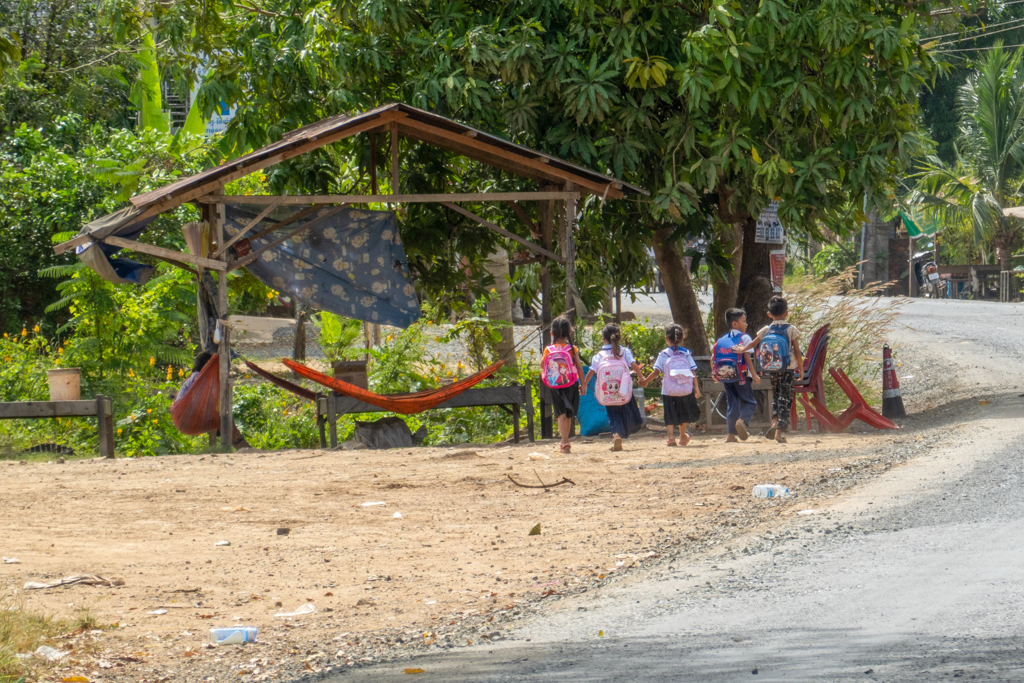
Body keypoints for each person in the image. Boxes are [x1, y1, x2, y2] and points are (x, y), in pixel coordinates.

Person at [736, 296, 804, 443]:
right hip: (787, 368)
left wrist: (742, 349)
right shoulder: (791, 329)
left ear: (769, 314)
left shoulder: (767, 329)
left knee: (775, 396)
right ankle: (779, 432)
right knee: (785, 398)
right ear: (786, 313)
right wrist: (801, 368)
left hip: (772, 368)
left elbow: (754, 343)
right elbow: (797, 351)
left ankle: (773, 423)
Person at [584, 323, 645, 452]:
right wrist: (641, 377)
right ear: (619, 337)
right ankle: (627, 429)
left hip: (608, 392)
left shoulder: (599, 356)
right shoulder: (624, 351)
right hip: (623, 390)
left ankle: (616, 434)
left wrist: (584, 384)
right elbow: (633, 365)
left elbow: (591, 371)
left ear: (603, 339)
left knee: (613, 415)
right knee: (628, 410)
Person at [639, 324, 701, 447]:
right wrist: (696, 388)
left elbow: (656, 372)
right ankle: (682, 436)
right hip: (685, 390)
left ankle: (671, 438)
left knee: (669, 413)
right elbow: (692, 371)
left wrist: (646, 381)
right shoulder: (686, 354)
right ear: (682, 338)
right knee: (683, 414)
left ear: (666, 339)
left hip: (668, 390)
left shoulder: (664, 354)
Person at [713, 308, 761, 442]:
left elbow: (713, 358)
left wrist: (714, 374)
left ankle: (730, 435)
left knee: (732, 404)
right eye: (744, 321)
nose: (746, 324)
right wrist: (754, 375)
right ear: (735, 324)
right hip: (741, 376)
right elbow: (746, 357)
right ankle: (741, 421)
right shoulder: (744, 338)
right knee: (750, 402)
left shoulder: (721, 340)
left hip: (726, 377)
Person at [541, 316, 586, 453]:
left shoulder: (548, 350)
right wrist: (583, 384)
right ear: (570, 333)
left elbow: (543, 365)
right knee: (568, 414)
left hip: (555, 386)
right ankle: (565, 440)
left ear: (551, 333)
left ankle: (565, 442)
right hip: (570, 384)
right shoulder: (573, 349)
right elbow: (579, 367)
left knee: (560, 414)